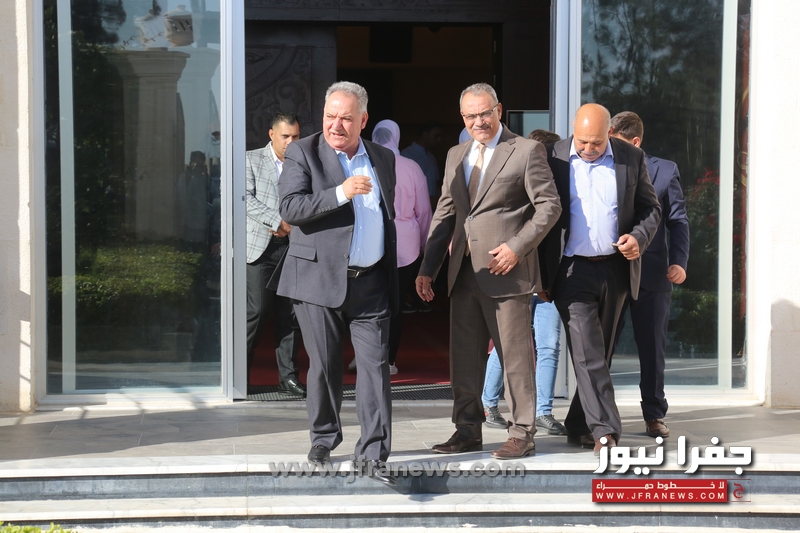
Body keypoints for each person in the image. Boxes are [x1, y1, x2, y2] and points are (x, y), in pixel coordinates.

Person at [416, 83, 561, 460]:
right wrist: (428, 268)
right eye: (470, 116)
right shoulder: (456, 154)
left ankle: (522, 433)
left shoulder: (526, 150)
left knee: (515, 358)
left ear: (499, 110)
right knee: (464, 359)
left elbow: (549, 206)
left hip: (506, 271)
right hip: (463, 271)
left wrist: (517, 247)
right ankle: (467, 430)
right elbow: (445, 213)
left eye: (484, 113)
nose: (478, 121)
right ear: (462, 117)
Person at [278, 81, 398, 486]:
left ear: (363, 120)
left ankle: (374, 453)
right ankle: (324, 437)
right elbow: (291, 208)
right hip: (317, 280)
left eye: (346, 118)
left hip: (371, 281)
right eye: (331, 116)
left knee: (375, 368)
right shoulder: (303, 152)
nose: (336, 124)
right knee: (326, 365)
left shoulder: (382, 157)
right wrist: (340, 193)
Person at [540, 103, 661, 455]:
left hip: (615, 269)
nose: (588, 149)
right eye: (582, 141)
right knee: (587, 349)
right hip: (570, 270)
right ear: (573, 129)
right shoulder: (551, 157)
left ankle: (580, 423)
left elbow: (650, 208)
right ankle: (605, 431)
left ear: (609, 132)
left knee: (599, 353)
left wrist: (638, 237)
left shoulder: (630, 157)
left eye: (596, 142)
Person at [481, 129, 569, 435]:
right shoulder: (515, 190)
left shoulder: (554, 191)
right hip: (517, 277)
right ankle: (489, 404)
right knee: (507, 344)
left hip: (546, 283)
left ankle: (543, 411)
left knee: (549, 345)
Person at [609, 111, 690, 439]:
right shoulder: (601, 166)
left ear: (635, 142)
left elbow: (678, 220)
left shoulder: (665, 170)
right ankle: (596, 417)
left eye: (617, 141)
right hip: (609, 272)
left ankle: (654, 414)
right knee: (600, 348)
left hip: (653, 272)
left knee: (652, 348)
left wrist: (680, 261)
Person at [244, 112, 305, 397]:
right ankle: (238, 375)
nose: (291, 142)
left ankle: (288, 377)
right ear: (271, 134)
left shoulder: (303, 162)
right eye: (285, 136)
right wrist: (276, 220)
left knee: (290, 315)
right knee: (256, 312)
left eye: (296, 136)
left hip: (293, 248)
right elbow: (244, 198)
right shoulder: (250, 159)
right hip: (260, 249)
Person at [371, 119, 432, 376]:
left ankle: (367, 357)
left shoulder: (367, 163)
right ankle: (389, 359)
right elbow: (424, 211)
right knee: (394, 306)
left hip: (371, 245)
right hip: (406, 247)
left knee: (369, 304)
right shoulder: (411, 167)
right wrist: (426, 244)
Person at [401, 121, 443, 207]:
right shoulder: (407, 155)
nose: (439, 140)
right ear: (425, 135)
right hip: (414, 207)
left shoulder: (431, 157)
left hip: (433, 208)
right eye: (436, 136)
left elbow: (436, 183)